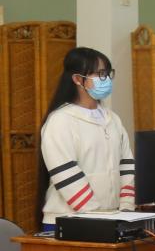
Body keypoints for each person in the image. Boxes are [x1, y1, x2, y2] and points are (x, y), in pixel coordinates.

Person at [36, 48, 134, 227]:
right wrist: (96, 216)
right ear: (77, 79)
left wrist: (127, 209)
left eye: (107, 73)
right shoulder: (60, 120)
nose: (106, 79)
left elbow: (126, 165)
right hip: (69, 220)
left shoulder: (113, 119)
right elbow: (65, 173)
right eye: (99, 74)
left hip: (112, 218)